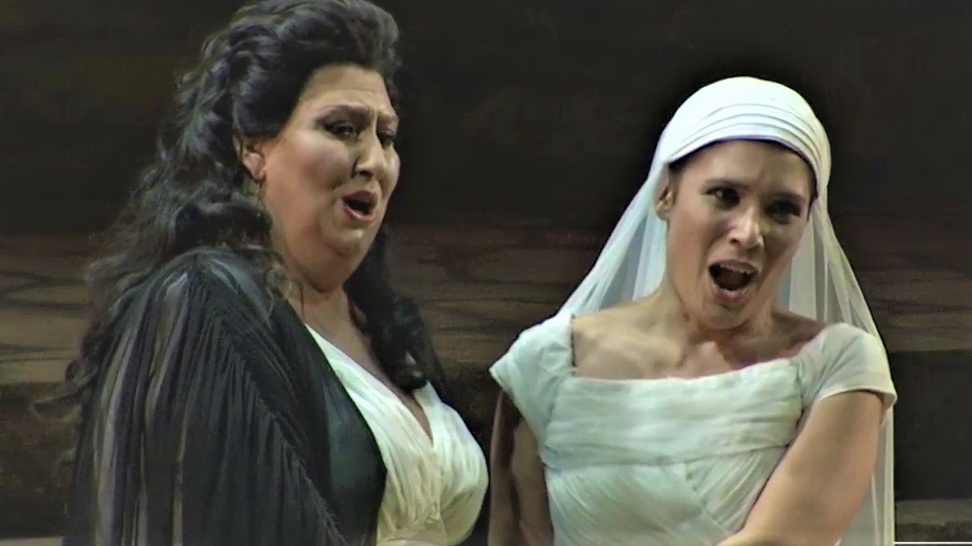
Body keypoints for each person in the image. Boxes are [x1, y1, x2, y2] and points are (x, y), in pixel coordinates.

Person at [51, 1, 487, 544]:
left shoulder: (386, 329)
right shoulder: (204, 303)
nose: (374, 161)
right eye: (343, 128)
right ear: (252, 147)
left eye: (387, 137)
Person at [487, 76, 896, 546]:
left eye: (782, 209)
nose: (749, 232)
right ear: (666, 194)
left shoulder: (838, 366)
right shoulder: (545, 366)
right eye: (725, 195)